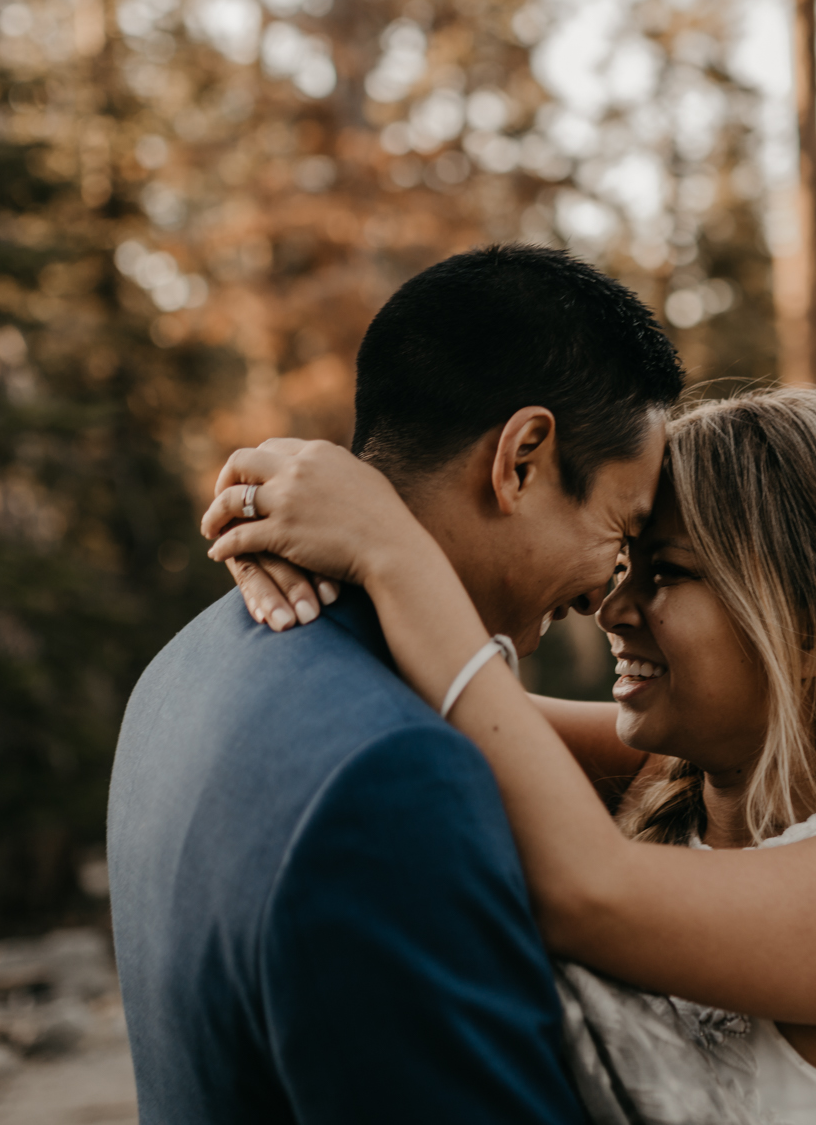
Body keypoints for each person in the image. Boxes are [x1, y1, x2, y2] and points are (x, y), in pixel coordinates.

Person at [205, 387, 816, 1125]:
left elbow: (586, 892)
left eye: (665, 572)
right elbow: (444, 697)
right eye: (625, 564)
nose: (613, 607)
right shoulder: (671, 784)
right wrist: (288, 492)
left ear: (815, 626)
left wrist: (390, 547)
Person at [106, 245, 685, 1124]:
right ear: (522, 459)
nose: (610, 588)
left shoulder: (185, 663)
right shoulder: (398, 778)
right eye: (623, 527)